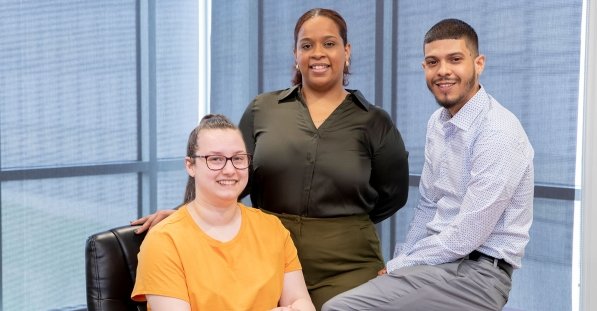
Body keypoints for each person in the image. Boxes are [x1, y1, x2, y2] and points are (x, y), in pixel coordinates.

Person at [132, 8, 409, 310]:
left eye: (329, 43)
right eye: (307, 45)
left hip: (349, 266)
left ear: (347, 50)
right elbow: (231, 171)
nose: (318, 53)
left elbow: (393, 195)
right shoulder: (263, 109)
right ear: (295, 55)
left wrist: (339, 226)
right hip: (263, 260)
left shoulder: (374, 121)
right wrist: (184, 213)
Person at [322, 18, 534, 311]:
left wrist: (402, 264)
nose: (443, 71)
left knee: (341, 308)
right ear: (424, 68)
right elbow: (428, 205)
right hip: (440, 265)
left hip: (479, 274)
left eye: (455, 59)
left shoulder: (497, 132)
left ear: (479, 63)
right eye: (433, 62)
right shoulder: (438, 123)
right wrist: (406, 258)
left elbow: (467, 234)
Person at [131, 114, 314, 311]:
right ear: (190, 165)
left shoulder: (273, 228)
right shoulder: (164, 241)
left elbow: (301, 303)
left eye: (238, 158)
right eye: (216, 159)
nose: (229, 169)